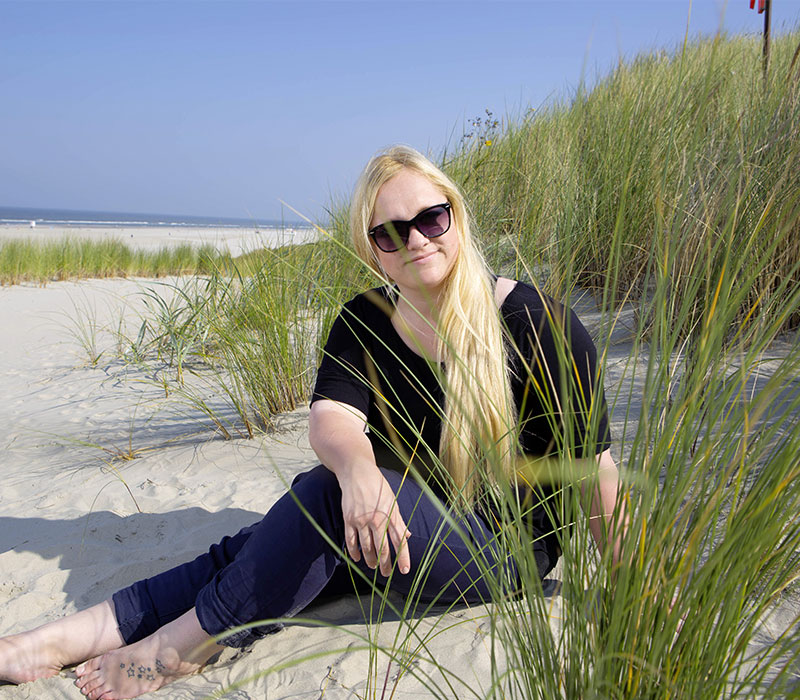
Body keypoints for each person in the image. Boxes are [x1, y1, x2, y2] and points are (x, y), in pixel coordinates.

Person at [0, 145, 624, 700]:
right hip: (395, 527)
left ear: (457, 217)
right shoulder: (365, 319)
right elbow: (332, 419)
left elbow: (593, 470)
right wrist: (357, 472)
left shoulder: (537, 323)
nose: (416, 240)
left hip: (498, 553)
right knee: (256, 548)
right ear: (372, 249)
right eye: (390, 232)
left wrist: (637, 588)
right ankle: (56, 641)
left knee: (320, 499)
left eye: (432, 218)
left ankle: (177, 651)